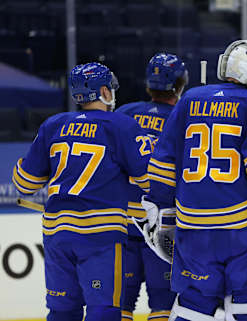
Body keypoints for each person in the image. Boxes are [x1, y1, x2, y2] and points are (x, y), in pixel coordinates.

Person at [143, 38, 247, 320]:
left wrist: (162, 209)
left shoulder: (190, 99)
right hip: (240, 228)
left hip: (192, 226)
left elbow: (164, 160)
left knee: (193, 302)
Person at [11, 62, 152, 321]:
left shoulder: (53, 125)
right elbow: (149, 181)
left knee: (62, 311)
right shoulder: (121, 126)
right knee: (104, 311)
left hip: (57, 235)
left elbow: (25, 185)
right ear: (103, 91)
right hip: (101, 237)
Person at [115, 53, 188, 321]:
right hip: (165, 224)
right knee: (163, 305)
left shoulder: (124, 114)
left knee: (119, 305)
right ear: (180, 84)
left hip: (124, 223)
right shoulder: (185, 116)